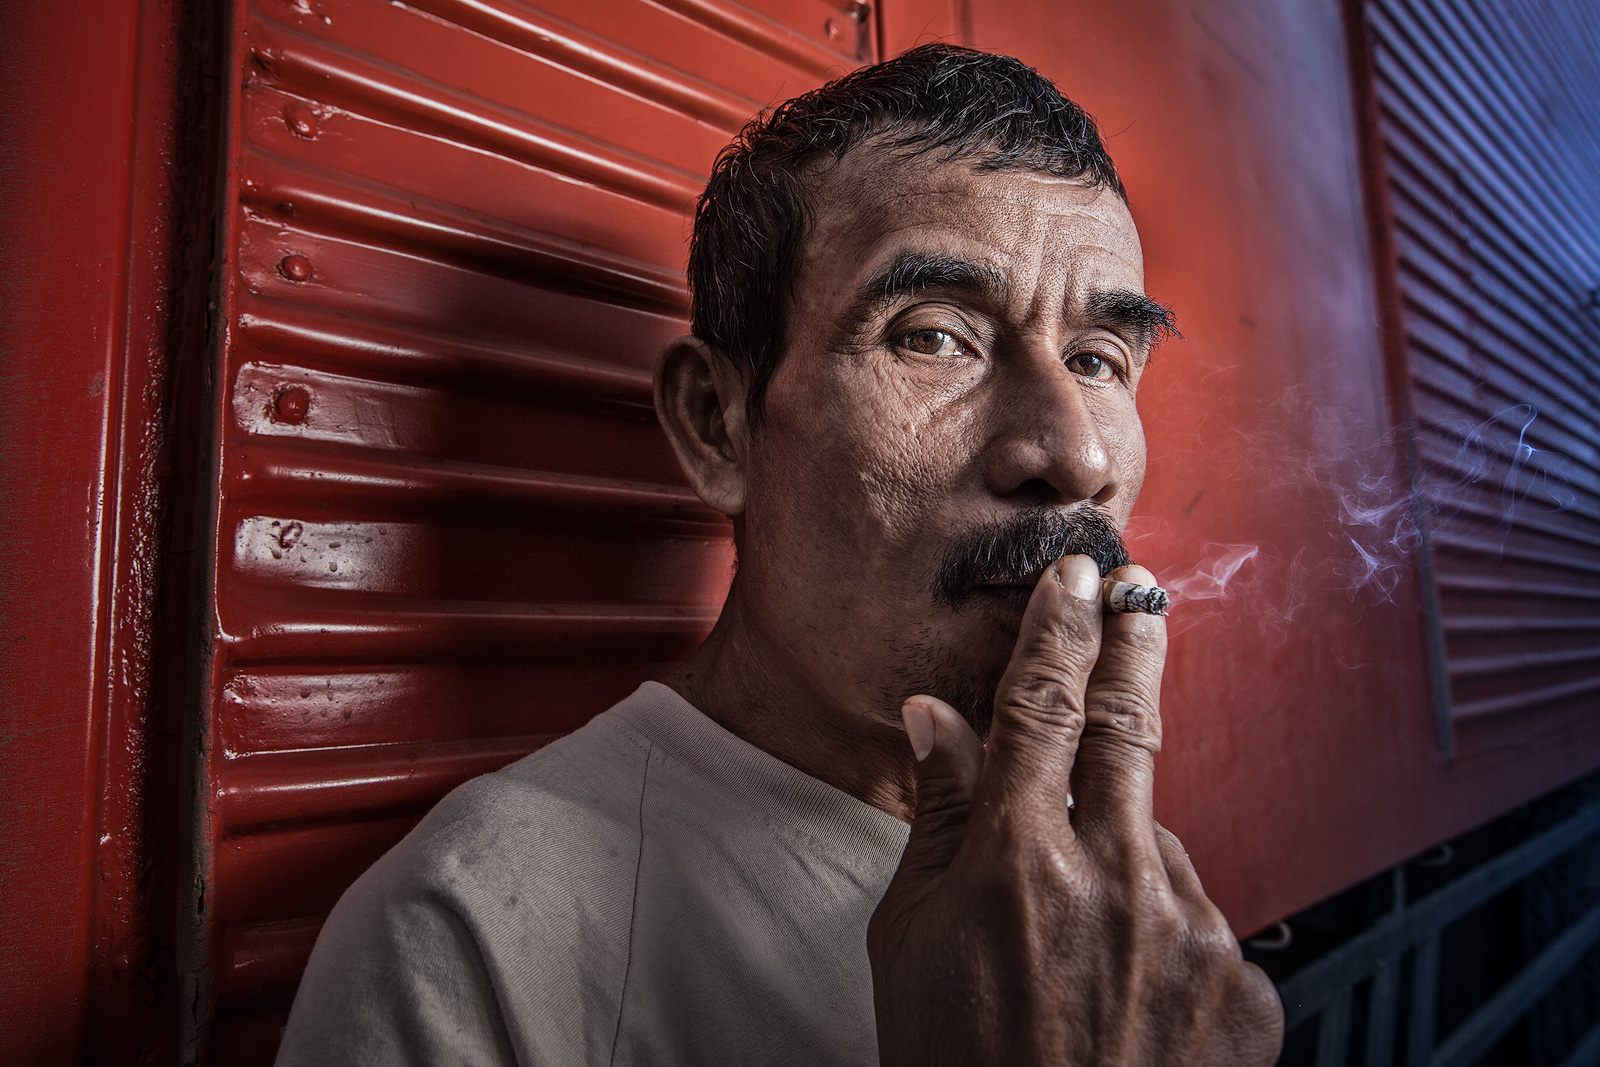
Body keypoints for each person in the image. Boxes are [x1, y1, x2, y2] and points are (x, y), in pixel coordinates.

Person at [276, 44, 1283, 1066]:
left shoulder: (1124, 888)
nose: (1073, 455)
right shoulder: (473, 935)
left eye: (1097, 358)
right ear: (718, 425)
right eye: (933, 336)